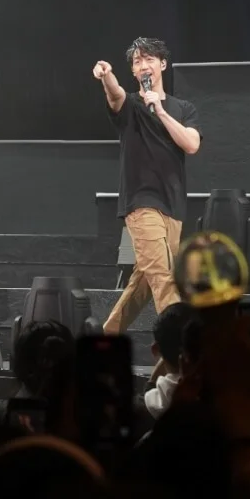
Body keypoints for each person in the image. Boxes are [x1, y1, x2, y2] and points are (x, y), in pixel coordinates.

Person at [94, 37, 201, 334]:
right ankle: (180, 346)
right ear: (133, 70)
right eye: (137, 61)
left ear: (162, 64)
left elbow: (192, 144)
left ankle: (104, 340)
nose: (143, 65)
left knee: (142, 284)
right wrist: (106, 76)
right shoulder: (130, 105)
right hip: (141, 203)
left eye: (149, 59)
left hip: (173, 207)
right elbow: (115, 94)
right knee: (165, 279)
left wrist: (161, 111)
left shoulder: (183, 108)